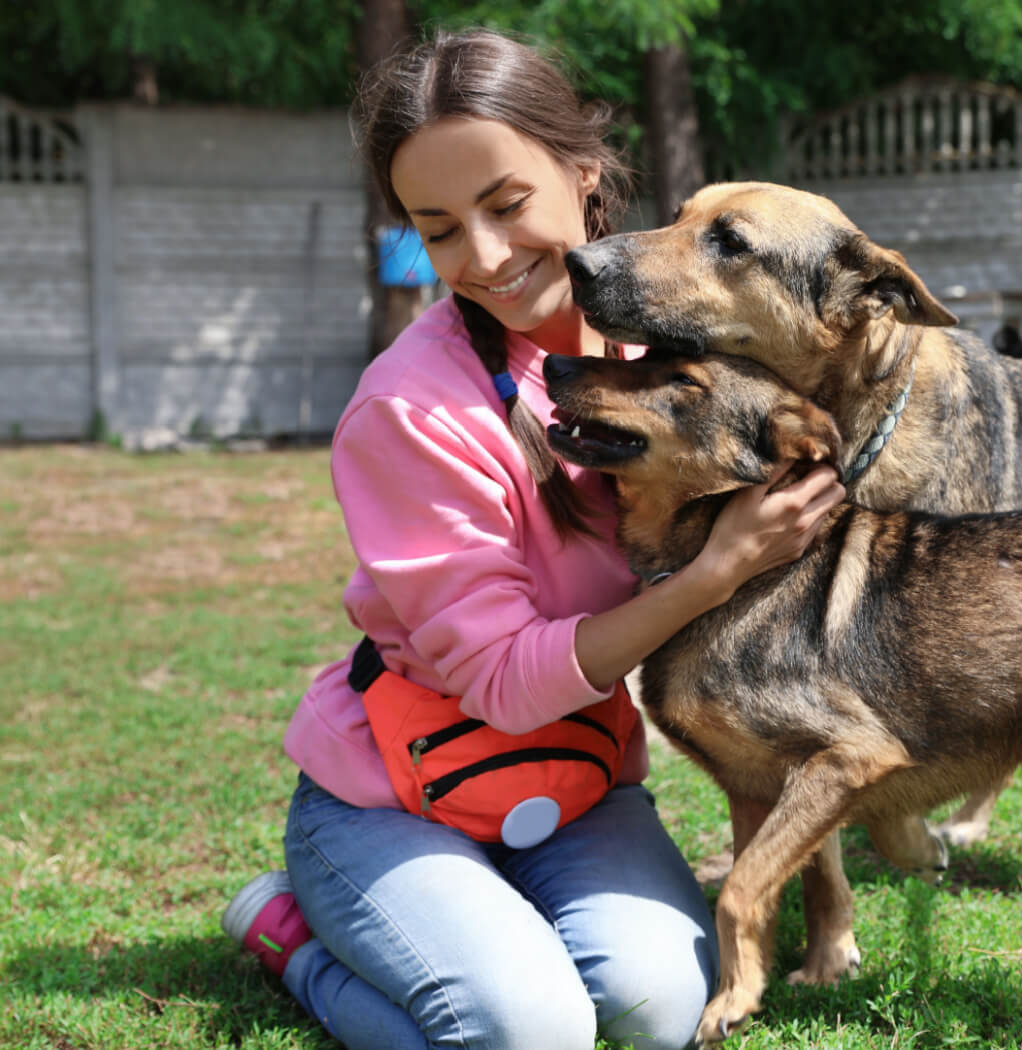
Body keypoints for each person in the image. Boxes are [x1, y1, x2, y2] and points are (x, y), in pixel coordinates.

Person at [220, 27, 845, 1050]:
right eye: (443, 229)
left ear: (583, 171)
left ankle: (493, 924)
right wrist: (720, 569)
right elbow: (505, 681)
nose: (488, 256)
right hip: (396, 794)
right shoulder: (410, 411)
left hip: (576, 777)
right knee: (524, 1029)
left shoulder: (675, 345)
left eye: (506, 206)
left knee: (661, 1010)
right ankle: (294, 937)